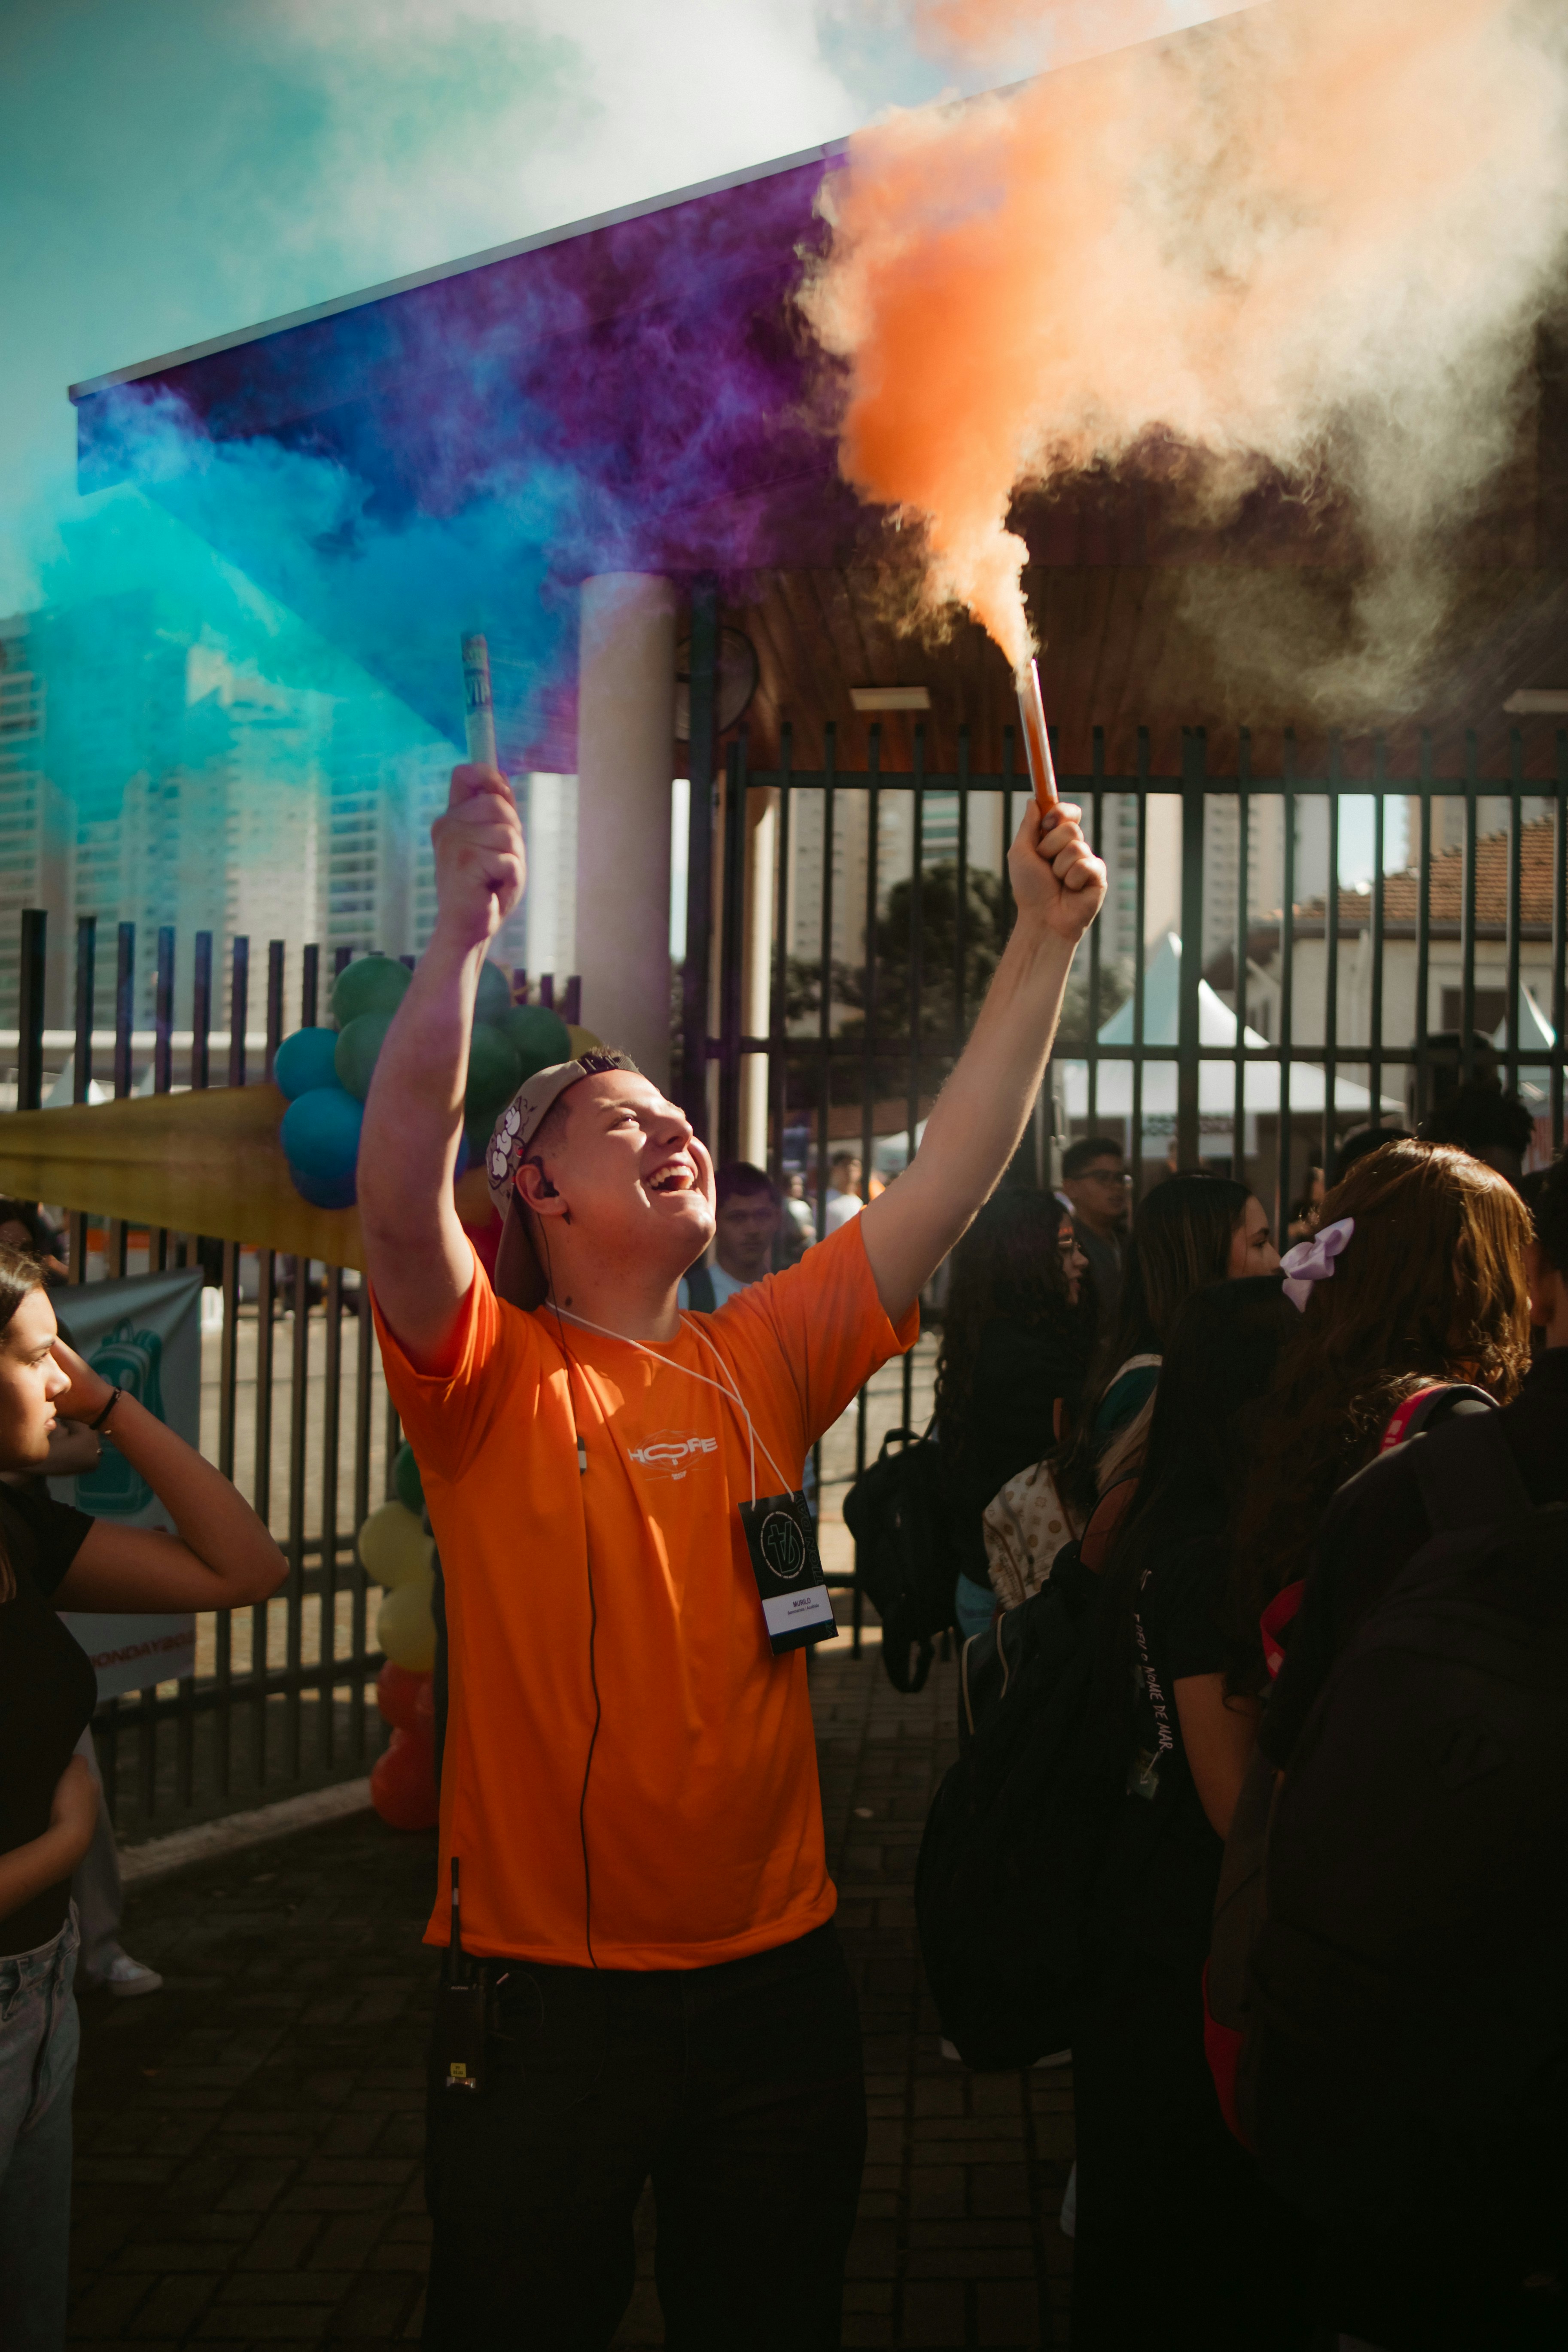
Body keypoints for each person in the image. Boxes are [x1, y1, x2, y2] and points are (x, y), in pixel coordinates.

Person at [356, 754, 1105, 2348]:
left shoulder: (763, 1348)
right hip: (544, 2000)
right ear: (538, 1185)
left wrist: (1040, 939)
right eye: (620, 1115)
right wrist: (450, 946)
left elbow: (953, 1170)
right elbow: (394, 1193)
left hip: (780, 1988)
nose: (673, 1128)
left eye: (678, 1112)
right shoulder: (485, 1375)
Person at [0, 1245, 283, 2352]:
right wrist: (71, 1836)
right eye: (36, 1359)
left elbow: (244, 1568)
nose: (63, 1380)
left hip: (42, 2004)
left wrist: (112, 1403)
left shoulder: (21, 1529)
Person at [1072, 1275, 1310, 2351]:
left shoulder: (1150, 1514)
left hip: (1131, 1911)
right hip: (1176, 1938)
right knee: (1181, 2253)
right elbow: (1226, 1799)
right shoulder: (1208, 1548)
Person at [1231, 1139, 1531, 1641]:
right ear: (1462, 1268)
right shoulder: (1453, 1422)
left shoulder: (1305, 1392)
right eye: (1505, 1252)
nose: (1522, 1280)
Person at [1058, 1176, 1279, 1518]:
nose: (1278, 1260)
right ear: (1205, 1254)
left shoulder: (1194, 1363)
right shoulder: (1151, 1385)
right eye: (1260, 1243)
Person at [932, 1191, 1094, 1640]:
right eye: (1065, 1248)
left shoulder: (993, 1340)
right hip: (1014, 1595)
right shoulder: (1023, 1364)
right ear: (1024, 1259)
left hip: (991, 1583)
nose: (1081, 1261)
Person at [679, 1164, 782, 1309]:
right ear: (713, 1221)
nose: (752, 1230)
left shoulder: (790, 1293)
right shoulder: (687, 1296)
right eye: (737, 1218)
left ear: (778, 1219)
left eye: (762, 1216)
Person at [1060, 1137, 1130, 1315]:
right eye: (1103, 1178)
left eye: (1120, 1179)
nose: (1116, 1187)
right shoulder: (1066, 1243)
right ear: (1070, 1188)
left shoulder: (1130, 1240)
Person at [822, 1151, 862, 1233]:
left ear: (860, 1172)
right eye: (844, 1165)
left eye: (855, 1165)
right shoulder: (825, 1200)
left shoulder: (859, 1202)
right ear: (835, 1170)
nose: (850, 1169)